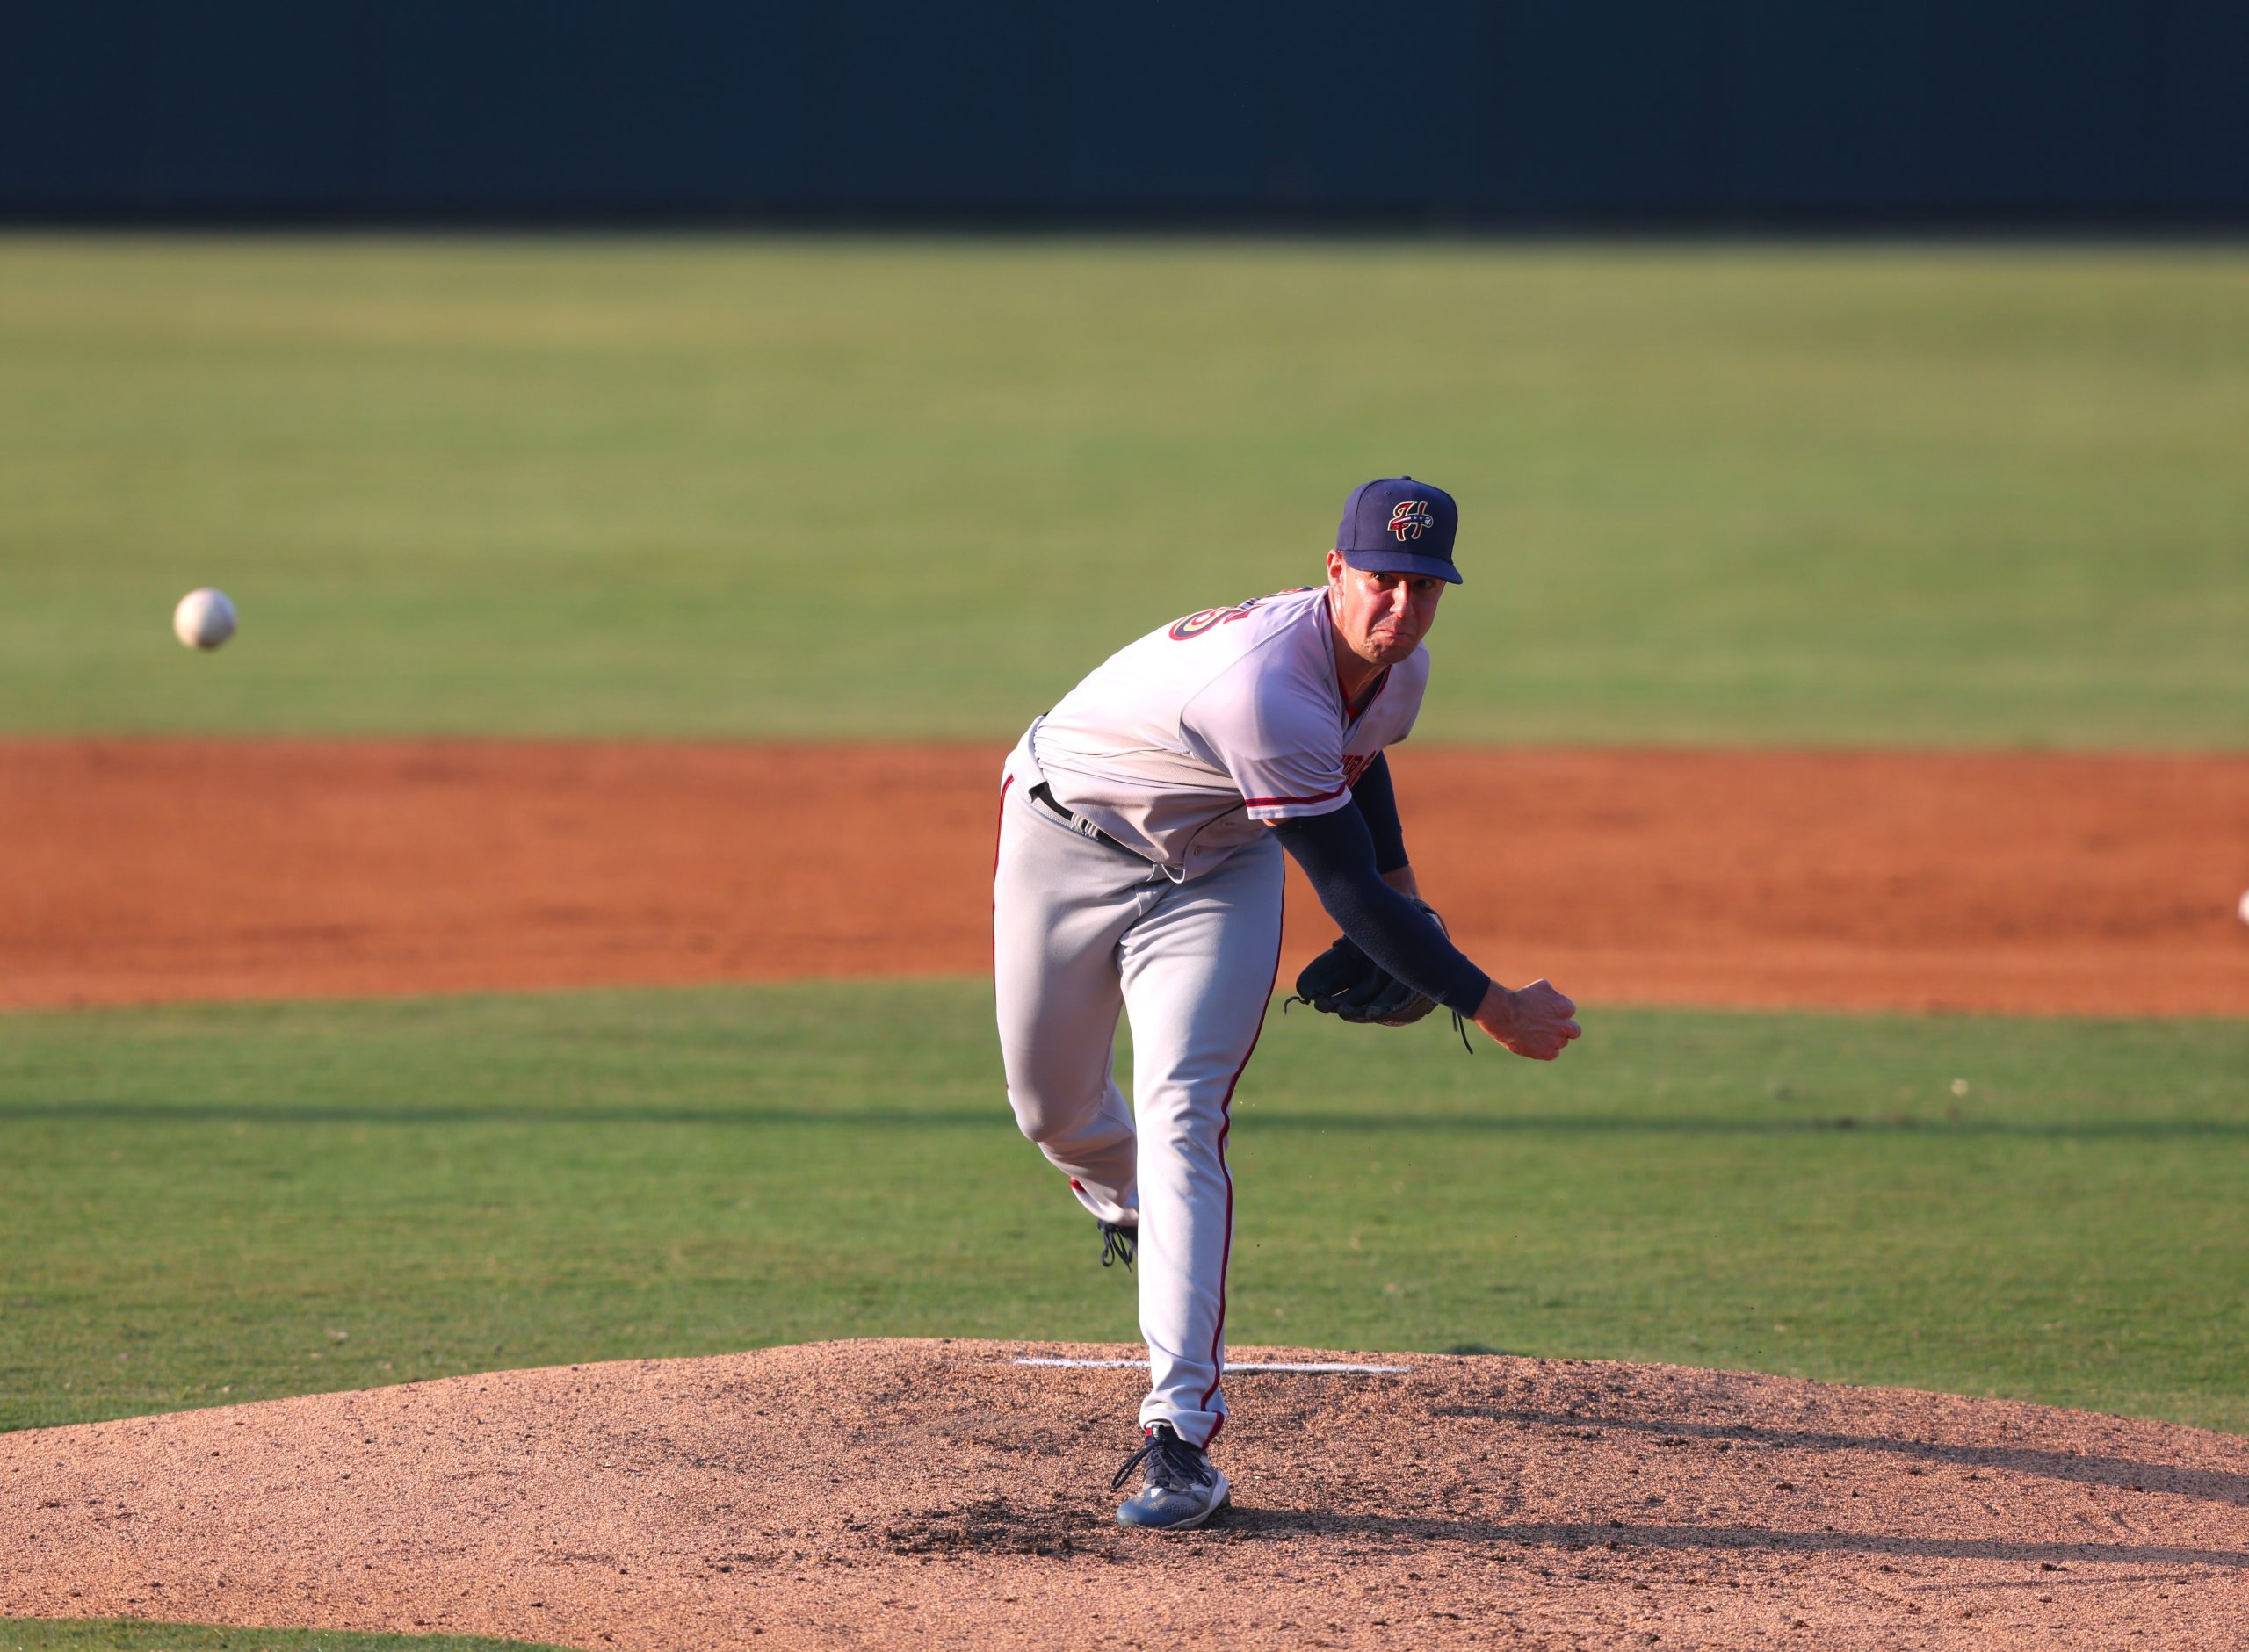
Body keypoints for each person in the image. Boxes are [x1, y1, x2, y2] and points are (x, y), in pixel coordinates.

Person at [991, 477, 1580, 1531]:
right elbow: (1342, 889)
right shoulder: (1260, 686)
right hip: (1063, 839)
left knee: (1183, 1114)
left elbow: (1361, 763)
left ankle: (1178, 1436)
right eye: (1383, 582)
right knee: (1053, 1112)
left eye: (1425, 588)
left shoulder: (1402, 669)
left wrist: (1413, 906)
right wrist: (1486, 1001)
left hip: (1217, 870)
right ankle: (1128, 1202)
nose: (1400, 609)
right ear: (1335, 572)